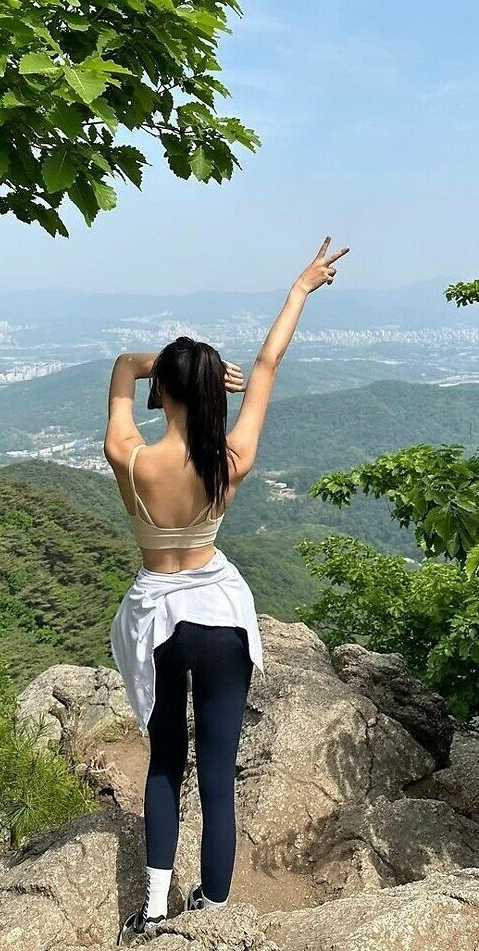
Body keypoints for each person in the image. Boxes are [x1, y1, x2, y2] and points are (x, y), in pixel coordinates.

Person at [103, 238, 350, 945]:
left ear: (163, 390)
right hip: (219, 613)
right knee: (216, 773)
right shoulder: (231, 459)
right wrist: (300, 289)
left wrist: (173, 364)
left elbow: (122, 366)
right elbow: (268, 365)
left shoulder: (130, 457)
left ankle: (155, 908)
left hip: (157, 617)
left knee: (163, 761)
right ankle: (212, 910)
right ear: (212, 392)